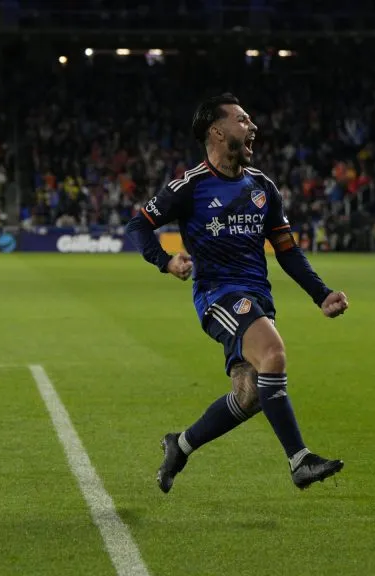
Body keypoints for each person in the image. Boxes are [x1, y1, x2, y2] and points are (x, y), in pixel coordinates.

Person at [124, 93, 349, 493]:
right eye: (243, 120)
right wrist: (166, 260)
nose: (253, 126)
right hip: (218, 296)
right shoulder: (190, 186)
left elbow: (286, 250)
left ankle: (180, 444)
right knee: (274, 353)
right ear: (216, 131)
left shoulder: (263, 186)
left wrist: (321, 294)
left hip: (258, 298)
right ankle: (299, 460)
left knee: (250, 395)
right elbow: (138, 225)